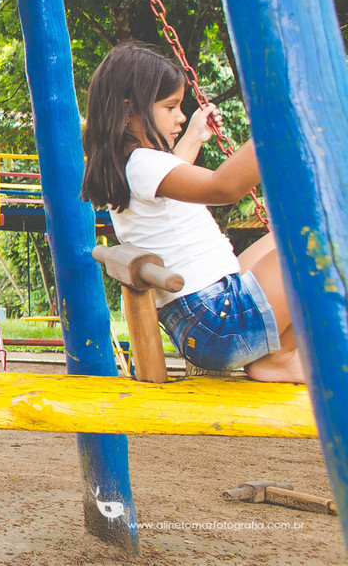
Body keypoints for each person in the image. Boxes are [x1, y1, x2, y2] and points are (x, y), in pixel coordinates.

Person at [80, 42, 303, 383]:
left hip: (206, 323)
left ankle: (276, 359)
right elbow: (221, 188)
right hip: (220, 320)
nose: (181, 116)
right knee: (313, 243)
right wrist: (275, 126)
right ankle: (283, 354)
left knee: (287, 237)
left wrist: (196, 135)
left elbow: (173, 176)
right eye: (170, 107)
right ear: (128, 112)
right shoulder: (143, 164)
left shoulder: (132, 166)